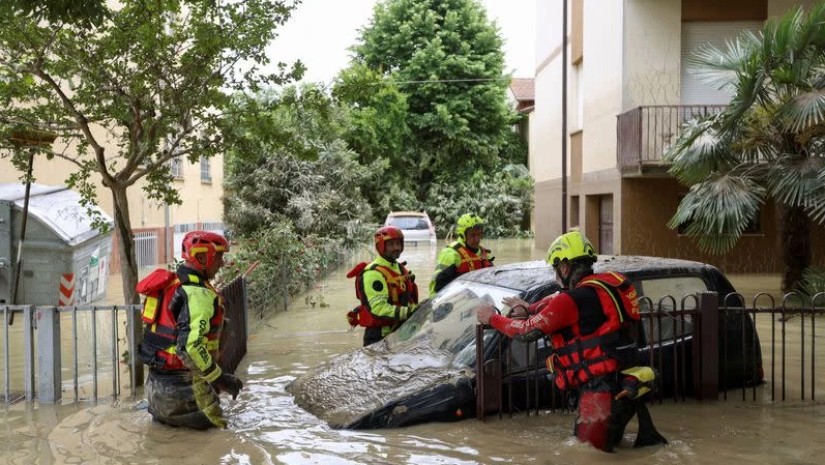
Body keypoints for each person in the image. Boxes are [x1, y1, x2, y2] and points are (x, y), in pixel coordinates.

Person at [476, 231, 667, 452]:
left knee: (587, 453)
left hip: (599, 394)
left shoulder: (573, 300)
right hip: (625, 385)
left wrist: (492, 317)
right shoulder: (601, 288)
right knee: (607, 449)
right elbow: (555, 301)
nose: (556, 275)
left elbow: (526, 332)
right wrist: (527, 306)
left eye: (555, 268)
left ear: (565, 267)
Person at [138, 230, 243, 429]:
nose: (222, 263)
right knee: (222, 440)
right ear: (202, 257)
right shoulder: (198, 294)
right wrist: (221, 378)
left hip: (155, 391)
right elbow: (190, 347)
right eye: (219, 256)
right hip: (185, 392)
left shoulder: (171, 286)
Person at [346, 225, 419, 346]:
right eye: (391, 244)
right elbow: (378, 309)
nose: (396, 248)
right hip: (379, 337)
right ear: (381, 246)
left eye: (398, 244)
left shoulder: (400, 268)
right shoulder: (372, 273)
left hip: (400, 333)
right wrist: (410, 311)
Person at [428, 213, 494, 297]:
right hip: (456, 303)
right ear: (463, 235)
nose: (477, 239)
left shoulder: (483, 254)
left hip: (477, 303)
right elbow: (436, 286)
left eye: (479, 234)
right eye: (472, 235)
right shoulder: (451, 253)